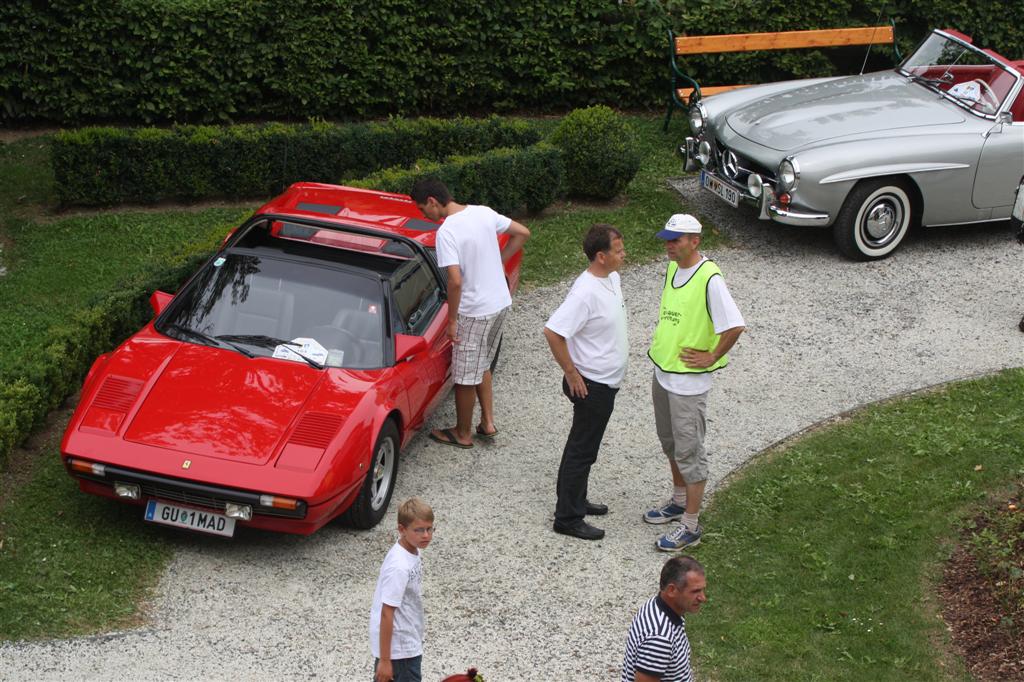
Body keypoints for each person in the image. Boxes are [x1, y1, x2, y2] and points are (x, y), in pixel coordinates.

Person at [644, 214, 744, 552]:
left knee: (690, 453)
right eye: (667, 239)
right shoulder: (674, 268)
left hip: (688, 384)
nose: (669, 246)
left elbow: (734, 325)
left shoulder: (710, 278)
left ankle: (690, 524)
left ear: (695, 241)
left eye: (676, 240)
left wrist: (712, 356)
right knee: (670, 444)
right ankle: (677, 500)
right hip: (664, 372)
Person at [411, 179, 531, 449]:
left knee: (465, 374)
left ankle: (463, 432)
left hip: (475, 310)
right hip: (499, 301)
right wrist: (499, 260)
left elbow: (454, 282)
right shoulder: (483, 212)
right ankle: (487, 422)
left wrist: (452, 321)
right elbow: (523, 232)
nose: (424, 215)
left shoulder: (447, 232)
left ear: (432, 201)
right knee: (482, 362)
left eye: (422, 209)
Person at [543, 224, 629, 540]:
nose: (624, 254)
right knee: (582, 449)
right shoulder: (585, 293)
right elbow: (553, 332)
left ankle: (576, 499)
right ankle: (567, 517)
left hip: (606, 381)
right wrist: (571, 372)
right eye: (618, 250)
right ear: (600, 256)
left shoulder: (612, 278)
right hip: (592, 385)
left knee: (585, 447)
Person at [369, 498, 435, 682]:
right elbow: (386, 612)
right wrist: (384, 660)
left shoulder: (412, 549)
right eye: (419, 530)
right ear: (401, 529)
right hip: (399, 652)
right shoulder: (398, 566)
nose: (426, 535)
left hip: (407, 641)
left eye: (429, 529)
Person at [621, 555, 707, 682]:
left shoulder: (656, 605)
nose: (702, 598)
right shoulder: (660, 638)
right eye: (695, 591)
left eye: (702, 590)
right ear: (672, 590)